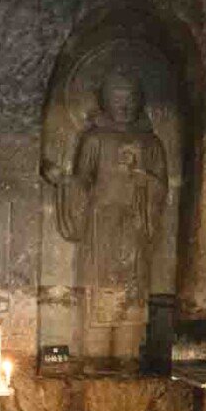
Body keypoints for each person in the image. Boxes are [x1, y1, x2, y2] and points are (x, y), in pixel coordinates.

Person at [51, 71, 167, 364]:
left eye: (129, 99)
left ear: (138, 101)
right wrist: (64, 182)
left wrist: (144, 179)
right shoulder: (94, 139)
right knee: (98, 298)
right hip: (100, 231)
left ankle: (128, 361)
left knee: (131, 299)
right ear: (105, 102)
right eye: (117, 99)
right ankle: (94, 360)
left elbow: (162, 190)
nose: (124, 106)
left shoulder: (151, 144)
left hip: (135, 229)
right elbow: (82, 183)